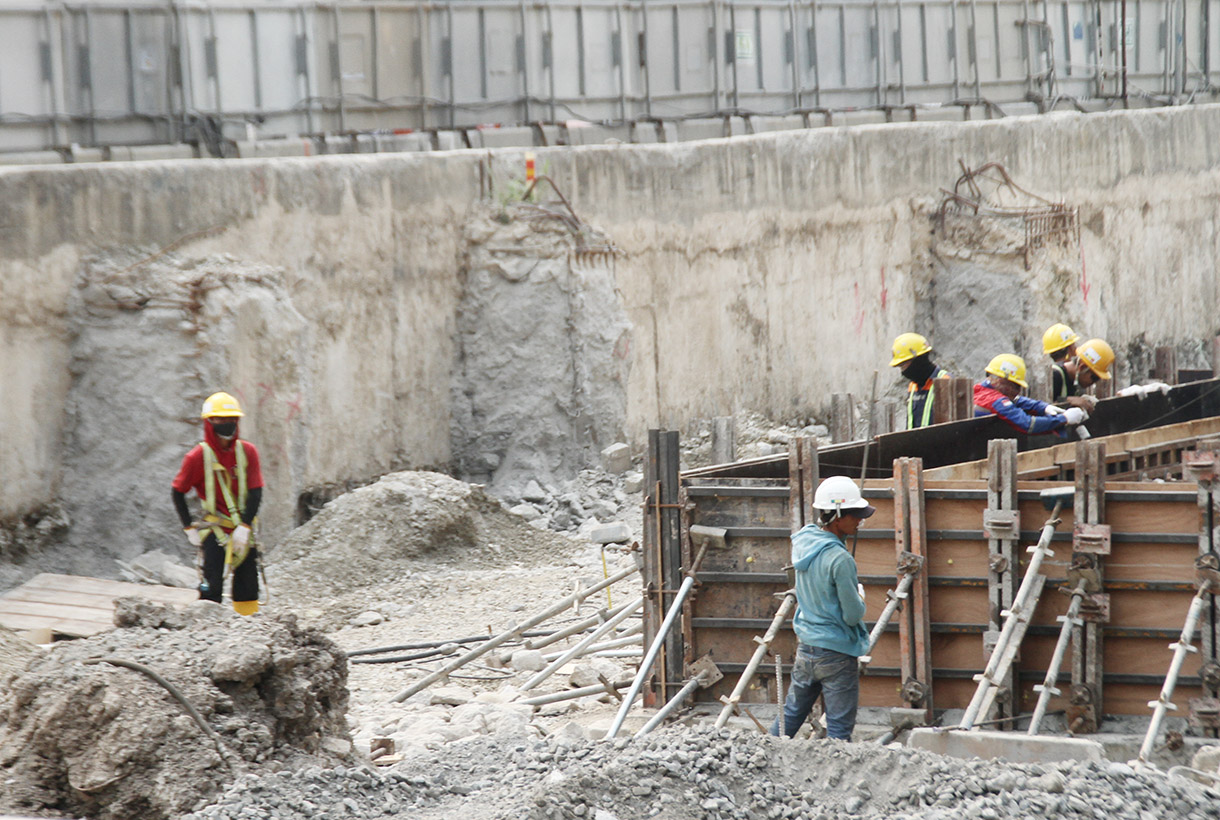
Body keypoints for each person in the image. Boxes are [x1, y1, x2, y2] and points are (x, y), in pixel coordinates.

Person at [771, 475, 874, 741]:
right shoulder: (840, 559)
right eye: (855, 515)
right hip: (837, 653)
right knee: (839, 730)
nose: (860, 520)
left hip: (807, 648)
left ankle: (762, 756)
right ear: (837, 516)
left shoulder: (804, 544)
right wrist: (860, 598)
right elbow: (852, 616)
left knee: (790, 716)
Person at [172, 391, 264, 615]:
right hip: (216, 529)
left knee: (248, 584)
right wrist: (188, 527)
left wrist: (244, 526)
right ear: (209, 422)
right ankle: (207, 630)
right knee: (211, 584)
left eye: (232, 419)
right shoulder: (196, 457)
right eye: (221, 420)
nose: (227, 424)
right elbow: (177, 492)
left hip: (242, 528)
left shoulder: (247, 452)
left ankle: (248, 626)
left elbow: (256, 491)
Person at [973, 354, 1088, 435]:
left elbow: (1018, 400)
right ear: (1001, 380)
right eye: (1016, 386)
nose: (1017, 391)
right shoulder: (996, 400)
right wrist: (1064, 418)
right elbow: (1028, 424)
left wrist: (1043, 407)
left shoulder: (980, 390)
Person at [890, 332, 951, 429]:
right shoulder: (913, 386)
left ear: (918, 360)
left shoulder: (945, 381)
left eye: (903, 365)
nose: (903, 372)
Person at [1042, 323, 1080, 403]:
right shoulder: (1057, 374)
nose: (1076, 348)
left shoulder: (1059, 372)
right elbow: (1050, 401)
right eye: (1073, 345)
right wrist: (1068, 400)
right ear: (1069, 348)